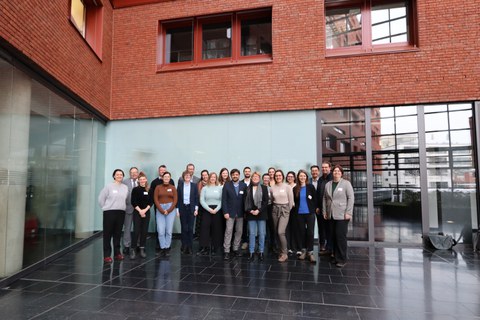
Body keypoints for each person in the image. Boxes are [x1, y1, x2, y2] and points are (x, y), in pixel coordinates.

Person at [323, 165, 354, 268]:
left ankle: (342, 259)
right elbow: (324, 198)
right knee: (333, 236)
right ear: (332, 173)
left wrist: (348, 212)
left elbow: (351, 198)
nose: (336, 173)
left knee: (340, 237)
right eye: (334, 171)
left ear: (341, 173)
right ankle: (336, 257)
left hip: (342, 215)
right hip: (330, 214)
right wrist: (325, 211)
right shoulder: (328, 184)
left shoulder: (346, 184)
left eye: (338, 171)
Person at [98, 169, 129, 263]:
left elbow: (126, 199)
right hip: (109, 212)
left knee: (118, 233)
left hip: (121, 212)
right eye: (117, 174)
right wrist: (105, 208)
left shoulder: (125, 187)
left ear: (123, 176)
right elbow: (101, 199)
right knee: (107, 234)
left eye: (121, 174)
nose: (119, 176)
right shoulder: (109, 186)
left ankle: (117, 253)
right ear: (114, 176)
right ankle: (107, 255)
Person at [221, 168, 247, 260]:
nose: (235, 176)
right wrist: (225, 212)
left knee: (239, 231)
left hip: (240, 213)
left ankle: (235, 248)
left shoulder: (243, 185)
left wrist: (245, 212)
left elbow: (245, 200)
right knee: (228, 231)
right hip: (230, 213)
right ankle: (226, 251)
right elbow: (223, 200)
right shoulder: (227, 185)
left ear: (239, 175)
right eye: (233, 175)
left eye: (236, 174)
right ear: (231, 176)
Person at [293, 170, 316, 263]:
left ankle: (310, 252)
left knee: (310, 232)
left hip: (310, 213)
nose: (302, 178)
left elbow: (315, 198)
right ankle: (303, 251)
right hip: (299, 214)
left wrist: (315, 209)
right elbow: (294, 201)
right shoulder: (295, 188)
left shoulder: (310, 187)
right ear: (298, 177)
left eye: (304, 176)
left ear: (306, 177)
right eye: (300, 176)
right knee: (301, 232)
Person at [270, 169, 294, 262]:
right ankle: (280, 251)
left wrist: (287, 211)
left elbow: (291, 201)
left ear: (282, 177)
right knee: (276, 232)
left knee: (281, 232)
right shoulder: (272, 187)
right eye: (276, 175)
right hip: (275, 210)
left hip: (285, 210)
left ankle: (285, 253)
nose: (278, 177)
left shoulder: (287, 187)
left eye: (280, 175)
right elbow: (272, 199)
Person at [244, 172, 269, 262]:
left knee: (262, 233)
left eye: (257, 177)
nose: (255, 178)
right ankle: (251, 252)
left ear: (259, 178)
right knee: (252, 233)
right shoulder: (247, 188)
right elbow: (245, 202)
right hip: (250, 214)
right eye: (253, 177)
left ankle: (261, 251)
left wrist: (258, 210)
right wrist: (250, 210)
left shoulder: (264, 188)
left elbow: (266, 201)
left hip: (261, 213)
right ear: (251, 178)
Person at [198, 172, 223, 256]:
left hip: (217, 210)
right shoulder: (204, 188)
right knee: (204, 229)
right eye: (211, 177)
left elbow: (222, 200)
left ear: (216, 179)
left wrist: (216, 209)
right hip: (207, 210)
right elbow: (202, 200)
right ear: (209, 178)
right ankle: (204, 248)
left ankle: (214, 248)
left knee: (216, 229)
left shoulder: (220, 188)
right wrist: (209, 209)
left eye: (214, 177)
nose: (213, 178)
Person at [153, 172, 178, 257]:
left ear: (170, 178)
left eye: (168, 177)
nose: (166, 178)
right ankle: (162, 247)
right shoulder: (158, 187)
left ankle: (167, 248)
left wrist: (169, 210)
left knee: (168, 231)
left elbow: (175, 200)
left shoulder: (173, 187)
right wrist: (161, 210)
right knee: (160, 230)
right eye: (165, 177)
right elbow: (155, 199)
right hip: (160, 209)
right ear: (162, 178)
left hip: (170, 209)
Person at [130, 171, 152, 259]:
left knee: (144, 231)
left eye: (144, 179)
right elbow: (133, 202)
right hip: (137, 212)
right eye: (140, 179)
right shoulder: (135, 190)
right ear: (138, 181)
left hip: (146, 212)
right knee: (136, 231)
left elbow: (151, 202)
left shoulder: (149, 190)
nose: (142, 180)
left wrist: (145, 211)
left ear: (146, 180)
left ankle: (142, 248)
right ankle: (133, 249)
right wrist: (140, 211)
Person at [177, 170, 199, 255]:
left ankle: (190, 246)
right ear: (183, 177)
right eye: (186, 176)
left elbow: (196, 198)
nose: (187, 177)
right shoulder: (180, 186)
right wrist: (177, 210)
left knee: (190, 228)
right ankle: (184, 245)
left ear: (190, 177)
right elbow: (178, 199)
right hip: (183, 208)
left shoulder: (194, 186)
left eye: (189, 176)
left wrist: (196, 209)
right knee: (184, 228)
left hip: (191, 209)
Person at [315, 162, 333, 255]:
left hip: (330, 208)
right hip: (320, 208)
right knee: (321, 227)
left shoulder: (333, 178)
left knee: (329, 229)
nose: (324, 169)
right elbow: (318, 193)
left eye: (326, 167)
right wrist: (317, 206)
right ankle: (323, 245)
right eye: (323, 167)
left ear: (330, 168)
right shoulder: (320, 179)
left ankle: (330, 248)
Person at [122, 166, 139, 255]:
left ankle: (138, 245)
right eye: (132, 172)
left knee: (138, 228)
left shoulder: (141, 181)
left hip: (139, 210)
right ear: (129, 173)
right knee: (127, 228)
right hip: (128, 208)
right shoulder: (124, 182)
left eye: (135, 172)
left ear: (138, 173)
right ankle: (127, 246)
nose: (134, 174)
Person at [285, 171, 298, 256]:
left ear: (294, 178)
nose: (290, 178)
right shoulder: (285, 186)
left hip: (295, 211)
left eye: (291, 176)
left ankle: (294, 247)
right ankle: (288, 247)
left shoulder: (297, 187)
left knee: (295, 228)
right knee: (287, 229)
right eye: (288, 176)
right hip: (286, 210)